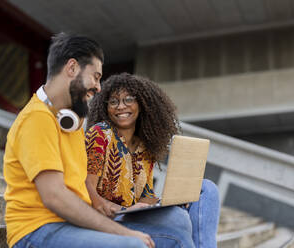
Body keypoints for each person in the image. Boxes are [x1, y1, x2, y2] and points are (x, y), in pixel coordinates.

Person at [3, 33, 194, 248]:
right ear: (72, 68)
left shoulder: (71, 121)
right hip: (37, 231)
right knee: (133, 246)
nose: (99, 87)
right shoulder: (37, 118)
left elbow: (84, 197)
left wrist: (123, 212)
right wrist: (123, 232)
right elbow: (55, 197)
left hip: (74, 224)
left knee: (176, 221)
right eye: (95, 76)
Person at [85, 73, 221, 248]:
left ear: (141, 104)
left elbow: (145, 198)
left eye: (128, 100)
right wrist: (124, 210)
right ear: (106, 107)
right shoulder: (100, 133)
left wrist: (171, 200)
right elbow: (87, 188)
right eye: (113, 102)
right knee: (178, 219)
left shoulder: (144, 147)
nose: (120, 106)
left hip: (135, 216)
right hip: (109, 220)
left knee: (207, 189)